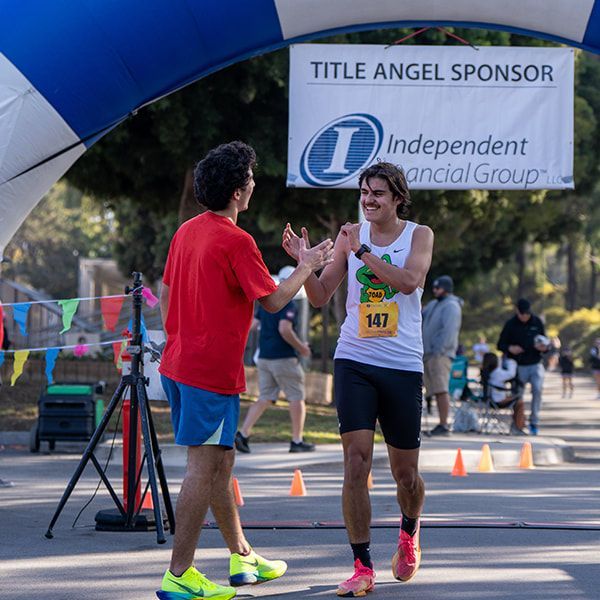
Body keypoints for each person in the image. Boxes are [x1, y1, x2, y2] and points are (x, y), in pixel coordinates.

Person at [157, 141, 334, 600]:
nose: (255, 185)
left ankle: (242, 555)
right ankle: (180, 574)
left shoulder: (187, 231)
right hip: (207, 372)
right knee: (202, 467)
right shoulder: (237, 240)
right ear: (238, 192)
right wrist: (308, 263)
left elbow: (165, 292)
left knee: (222, 461)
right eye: (251, 180)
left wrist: (180, 338)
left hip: (179, 365)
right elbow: (274, 301)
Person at [282, 162, 434, 596]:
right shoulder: (351, 234)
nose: (368, 200)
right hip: (355, 359)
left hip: (403, 365)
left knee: (407, 476)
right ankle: (361, 564)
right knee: (356, 463)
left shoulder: (417, 235)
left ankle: (409, 529)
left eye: (378, 194)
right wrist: (306, 263)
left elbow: (407, 282)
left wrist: (362, 251)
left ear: (398, 198)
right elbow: (319, 295)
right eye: (364, 192)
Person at [235, 266, 315, 454]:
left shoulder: (268, 302)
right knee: (297, 397)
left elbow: (252, 325)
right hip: (283, 357)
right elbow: (284, 329)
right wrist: (302, 348)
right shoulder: (289, 305)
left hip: (264, 357)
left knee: (265, 397)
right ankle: (297, 440)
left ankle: (243, 433)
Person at [497, 298, 548, 436]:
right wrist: (510, 348)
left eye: (527, 314)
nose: (525, 316)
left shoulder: (537, 322)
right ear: (517, 312)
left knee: (537, 390)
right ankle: (518, 423)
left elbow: (545, 342)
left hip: (535, 363)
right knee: (518, 395)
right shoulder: (510, 324)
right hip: (518, 365)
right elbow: (500, 344)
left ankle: (534, 422)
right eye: (522, 314)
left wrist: (543, 348)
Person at [421, 275, 463, 435]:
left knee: (441, 389)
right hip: (428, 353)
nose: (435, 290)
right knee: (431, 389)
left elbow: (449, 331)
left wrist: (438, 349)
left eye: (438, 288)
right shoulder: (433, 304)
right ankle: (439, 424)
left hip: (440, 354)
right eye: (434, 288)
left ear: (446, 289)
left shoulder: (452, 306)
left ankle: (444, 424)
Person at [481, 352, 526, 435]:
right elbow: (511, 374)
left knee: (517, 401)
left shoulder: (486, 373)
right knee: (520, 402)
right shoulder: (497, 373)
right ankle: (518, 427)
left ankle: (517, 425)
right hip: (498, 401)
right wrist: (511, 362)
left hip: (489, 400)